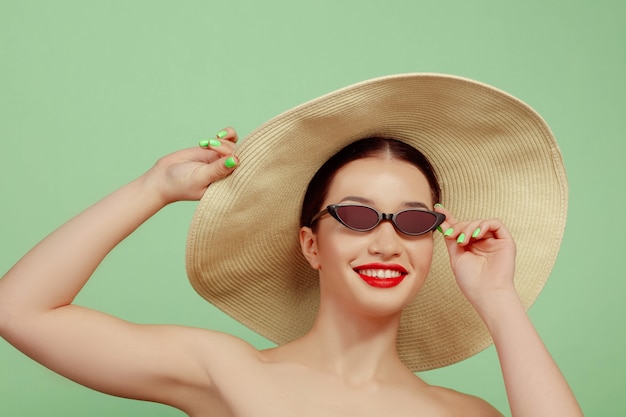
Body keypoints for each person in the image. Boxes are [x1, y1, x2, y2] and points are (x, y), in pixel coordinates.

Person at [0, 74, 583, 416]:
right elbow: (20, 310)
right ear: (311, 244)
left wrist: (499, 299)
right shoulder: (225, 370)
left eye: (412, 223)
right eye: (356, 215)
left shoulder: (464, 414)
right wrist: (151, 189)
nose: (386, 240)